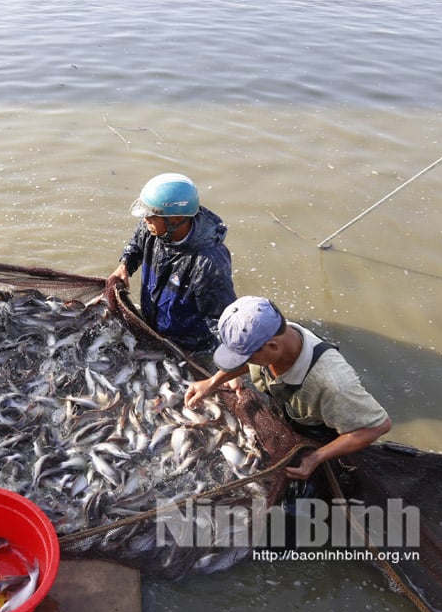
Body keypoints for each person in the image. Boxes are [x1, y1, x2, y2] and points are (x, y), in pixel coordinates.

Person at [183, 295, 392, 480]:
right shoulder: (274, 335)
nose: (241, 362)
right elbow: (248, 360)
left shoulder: (333, 384)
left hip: (317, 431)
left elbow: (376, 426)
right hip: (284, 405)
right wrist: (212, 382)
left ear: (272, 347)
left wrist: (317, 457)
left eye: (244, 355)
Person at [108, 172, 236, 357]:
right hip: (154, 325)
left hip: (190, 345)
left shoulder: (208, 263)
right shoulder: (153, 228)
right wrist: (125, 265)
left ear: (175, 218)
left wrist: (228, 359)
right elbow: (136, 245)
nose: (145, 220)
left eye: (150, 216)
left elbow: (220, 319)